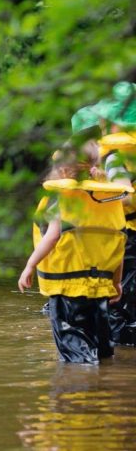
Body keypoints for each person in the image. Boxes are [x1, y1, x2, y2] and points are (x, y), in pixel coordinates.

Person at [18, 142, 130, 363]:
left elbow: (52, 236)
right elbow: (117, 246)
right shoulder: (108, 199)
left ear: (61, 171)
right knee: (101, 348)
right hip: (100, 290)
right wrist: (116, 283)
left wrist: (30, 265)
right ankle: (105, 387)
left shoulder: (62, 198)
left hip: (67, 291)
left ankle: (80, 391)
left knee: (75, 356)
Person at [93, 81, 136, 344]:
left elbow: (125, 195)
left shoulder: (117, 155)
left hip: (131, 238)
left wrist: (100, 194)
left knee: (123, 306)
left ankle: (120, 363)